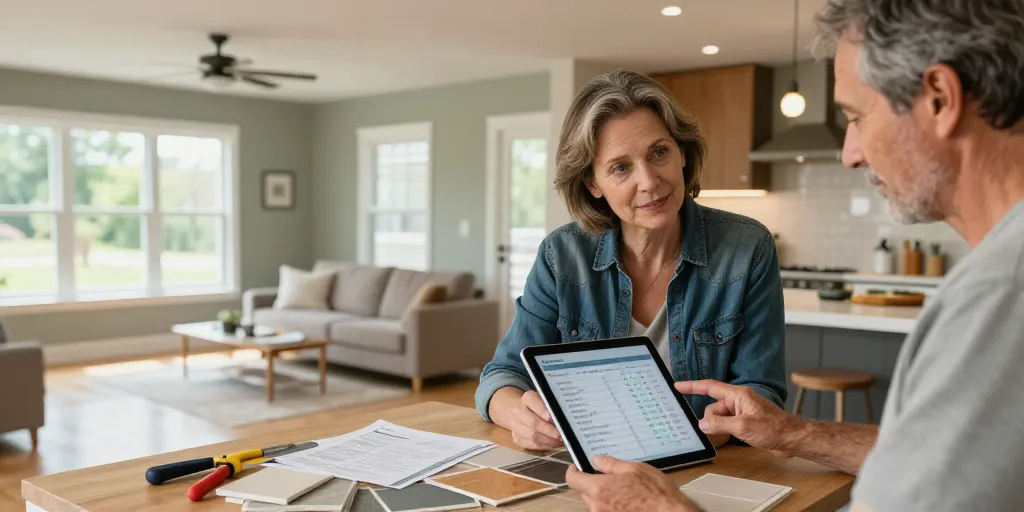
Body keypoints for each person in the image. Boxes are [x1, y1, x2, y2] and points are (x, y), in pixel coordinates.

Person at [565, 0, 1024, 511]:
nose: (850, 152)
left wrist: (663, 508)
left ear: (940, 98)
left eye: (856, 116)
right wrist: (791, 432)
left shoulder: (1002, 293)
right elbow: (937, 456)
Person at [474, 69, 788, 451]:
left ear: (683, 155)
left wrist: (692, 434)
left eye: (659, 153)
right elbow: (502, 376)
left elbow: (763, 393)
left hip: (711, 466)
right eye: (621, 167)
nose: (649, 181)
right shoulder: (561, 257)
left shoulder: (748, 247)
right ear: (593, 184)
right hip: (593, 473)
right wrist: (516, 415)